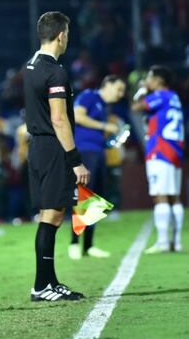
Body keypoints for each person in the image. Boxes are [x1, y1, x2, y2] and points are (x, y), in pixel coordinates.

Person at [23, 11, 89, 302]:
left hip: (37, 145)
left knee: (53, 213)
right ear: (61, 35)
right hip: (52, 147)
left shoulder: (30, 66)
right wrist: (76, 160)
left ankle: (48, 282)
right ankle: (42, 285)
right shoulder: (55, 71)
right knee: (51, 214)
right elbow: (59, 120)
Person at [67, 75, 126, 260]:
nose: (120, 94)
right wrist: (104, 125)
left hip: (98, 152)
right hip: (85, 151)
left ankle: (89, 245)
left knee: (95, 200)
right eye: (118, 89)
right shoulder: (90, 95)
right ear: (107, 84)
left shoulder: (102, 104)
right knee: (84, 196)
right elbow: (77, 115)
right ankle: (74, 244)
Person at [132, 66, 185, 254]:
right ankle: (176, 242)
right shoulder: (174, 97)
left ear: (159, 80)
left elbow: (135, 107)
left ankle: (163, 242)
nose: (148, 80)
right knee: (175, 197)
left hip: (160, 151)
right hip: (176, 151)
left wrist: (142, 90)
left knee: (161, 195)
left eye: (150, 77)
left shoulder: (159, 95)